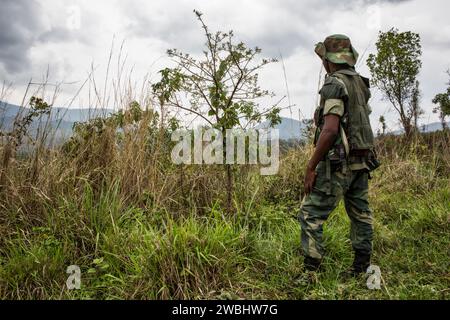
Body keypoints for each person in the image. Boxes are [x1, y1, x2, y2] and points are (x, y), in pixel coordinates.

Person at [299, 34, 380, 275]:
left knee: (309, 214)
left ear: (329, 61)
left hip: (339, 164)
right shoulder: (360, 83)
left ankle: (311, 272)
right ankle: (361, 267)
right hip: (362, 162)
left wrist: (311, 166)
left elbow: (331, 129)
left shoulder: (334, 84)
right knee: (361, 215)